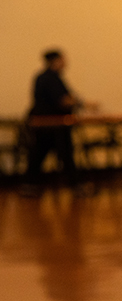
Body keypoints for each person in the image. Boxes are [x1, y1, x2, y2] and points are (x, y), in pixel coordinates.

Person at [22, 49, 91, 194]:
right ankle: (75, 184)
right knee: (63, 153)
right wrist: (82, 104)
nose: (65, 62)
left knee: (40, 153)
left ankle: (30, 184)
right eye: (63, 59)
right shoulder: (50, 78)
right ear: (56, 61)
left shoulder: (44, 77)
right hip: (53, 124)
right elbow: (63, 100)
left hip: (47, 123)